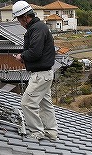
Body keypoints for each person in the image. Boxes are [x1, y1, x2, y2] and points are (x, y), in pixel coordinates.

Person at [13, 1, 58, 141]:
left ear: (25, 17)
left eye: (19, 19)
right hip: (45, 74)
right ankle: (51, 133)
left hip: (40, 75)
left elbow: (36, 52)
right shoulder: (39, 28)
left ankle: (37, 132)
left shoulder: (37, 29)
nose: (20, 23)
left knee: (27, 103)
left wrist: (22, 56)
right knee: (45, 104)